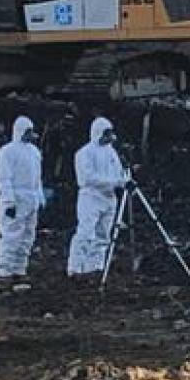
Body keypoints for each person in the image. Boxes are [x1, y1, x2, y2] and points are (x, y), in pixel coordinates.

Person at [67, 117, 127, 277]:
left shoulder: (112, 152)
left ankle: (94, 267)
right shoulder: (84, 153)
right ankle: (75, 268)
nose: (109, 137)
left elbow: (119, 172)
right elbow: (87, 178)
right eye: (106, 133)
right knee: (86, 232)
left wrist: (123, 180)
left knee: (103, 234)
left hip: (109, 198)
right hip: (91, 198)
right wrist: (115, 182)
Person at [0, 116, 43, 280]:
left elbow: (37, 178)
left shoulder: (34, 152)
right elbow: (5, 178)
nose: (30, 134)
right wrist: (9, 201)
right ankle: (5, 271)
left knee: (28, 236)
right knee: (12, 235)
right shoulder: (7, 151)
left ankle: (20, 268)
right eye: (27, 131)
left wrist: (39, 196)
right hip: (16, 198)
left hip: (31, 199)